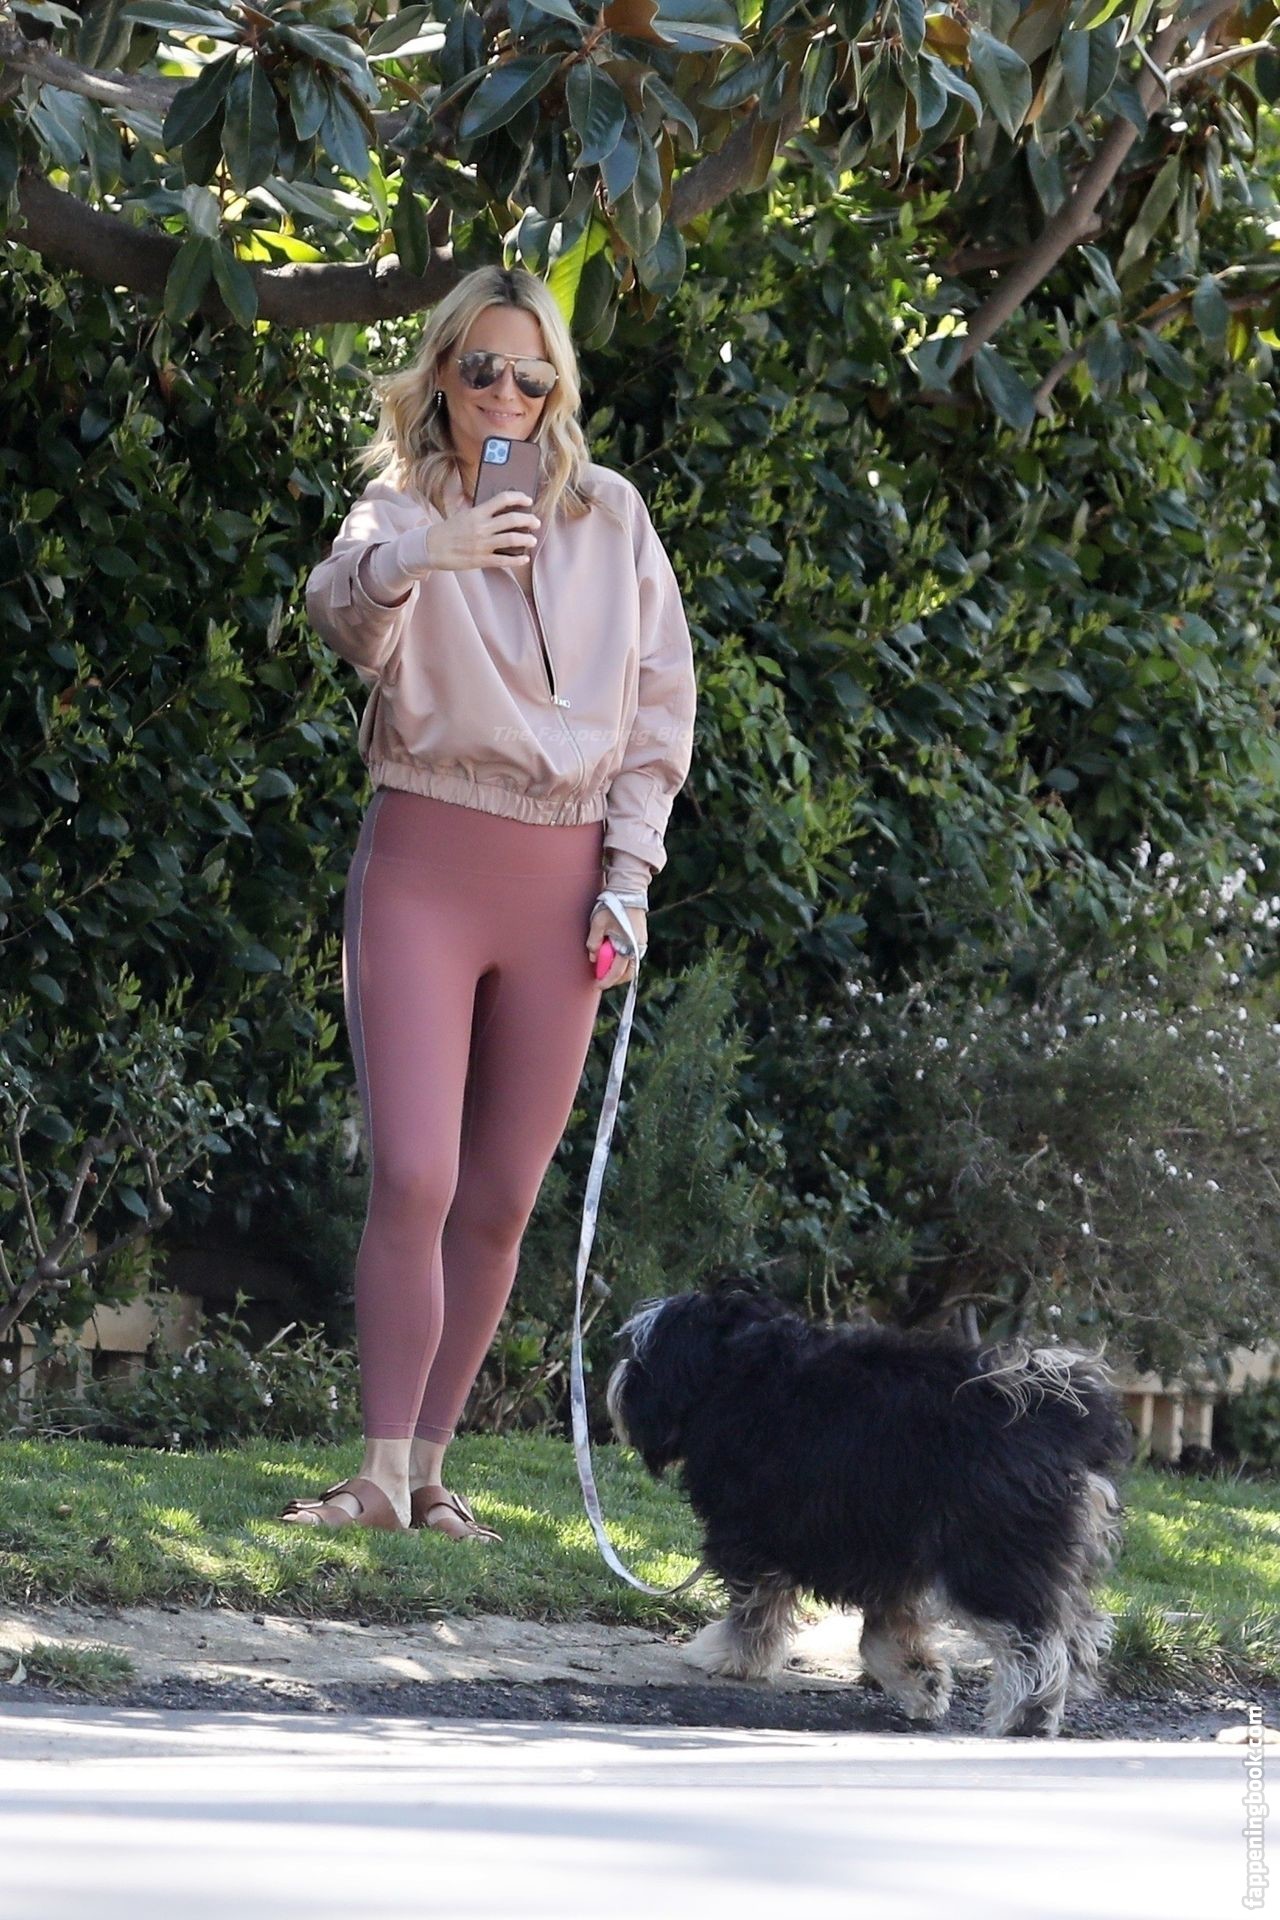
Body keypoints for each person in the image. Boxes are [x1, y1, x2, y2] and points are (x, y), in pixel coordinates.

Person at [278, 263, 698, 1538]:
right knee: (415, 1172)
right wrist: (426, 551)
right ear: (442, 377)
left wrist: (626, 880)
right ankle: (374, 1473)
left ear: (557, 383)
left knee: (504, 1196)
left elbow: (658, 711)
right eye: (479, 369)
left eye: (530, 371)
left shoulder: (611, 515)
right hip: (425, 860)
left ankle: (428, 1474)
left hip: (563, 884)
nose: (505, 393)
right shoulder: (398, 505)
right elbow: (342, 615)